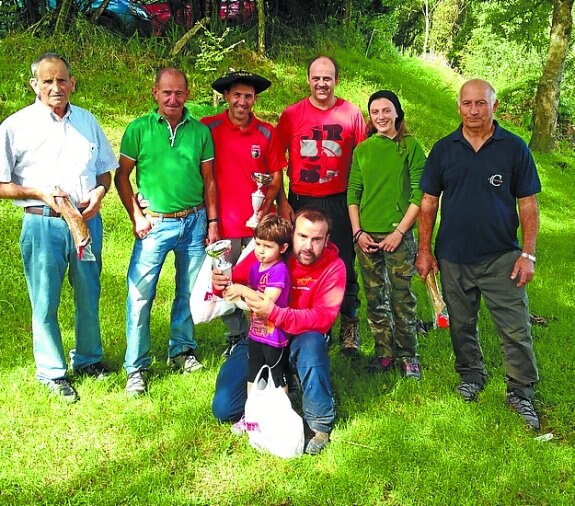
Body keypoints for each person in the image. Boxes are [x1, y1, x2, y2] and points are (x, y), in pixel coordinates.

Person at [416, 79, 541, 429]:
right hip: (453, 257)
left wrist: (527, 254)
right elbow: (428, 203)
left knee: (515, 329)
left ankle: (521, 392)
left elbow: (528, 204)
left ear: (494, 106)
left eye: (481, 104)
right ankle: (471, 376)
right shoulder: (443, 150)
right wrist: (425, 250)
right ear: (459, 107)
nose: (473, 110)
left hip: (501, 256)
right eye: (467, 103)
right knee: (461, 324)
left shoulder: (514, 148)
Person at [0, 52, 117, 402]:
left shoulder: (87, 121)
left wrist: (98, 193)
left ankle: (89, 359)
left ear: (72, 83)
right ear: (35, 84)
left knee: (88, 293)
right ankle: (52, 371)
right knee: (45, 299)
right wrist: (37, 191)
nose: (56, 87)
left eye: (62, 80)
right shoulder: (15, 126)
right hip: (43, 224)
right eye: (48, 81)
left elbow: (104, 172)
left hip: (86, 223)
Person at [115, 67, 218, 397]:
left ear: (187, 95)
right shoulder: (139, 129)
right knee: (140, 294)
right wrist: (136, 216)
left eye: (179, 93)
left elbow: (209, 180)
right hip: (155, 223)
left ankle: (182, 350)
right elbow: (122, 177)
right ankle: (136, 366)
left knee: (189, 290)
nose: (173, 98)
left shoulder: (200, 132)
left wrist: (212, 222)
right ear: (155, 93)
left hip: (194, 220)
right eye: (166, 92)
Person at [212, 207, 346, 454]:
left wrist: (275, 313)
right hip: (263, 335)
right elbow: (236, 281)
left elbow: (323, 317)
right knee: (223, 408)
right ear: (292, 236)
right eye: (303, 237)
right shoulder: (272, 252)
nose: (308, 246)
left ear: (327, 240)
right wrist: (221, 283)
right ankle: (274, 396)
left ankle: (319, 422)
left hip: (302, 337)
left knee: (313, 345)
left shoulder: (334, 267)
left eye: (317, 239)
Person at [275, 55, 366, 357]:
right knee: (300, 261)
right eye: (316, 77)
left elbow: (364, 162)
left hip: (339, 200)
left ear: (336, 80)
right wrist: (283, 202)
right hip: (302, 198)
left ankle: (349, 324)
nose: (322, 83)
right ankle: (305, 323)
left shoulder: (352, 114)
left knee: (344, 263)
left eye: (327, 77)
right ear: (308, 80)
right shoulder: (291, 114)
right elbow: (275, 162)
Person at [201, 71, 286, 356]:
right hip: (222, 222)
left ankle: (258, 332)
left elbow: (275, 177)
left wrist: (264, 210)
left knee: (258, 278)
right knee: (226, 280)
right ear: (226, 97)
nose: (242, 101)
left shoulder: (266, 132)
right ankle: (236, 335)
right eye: (236, 95)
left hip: (258, 226)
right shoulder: (208, 128)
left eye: (248, 96)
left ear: (254, 99)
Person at [347, 90, 426, 379]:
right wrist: (357, 232)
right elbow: (353, 192)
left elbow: (420, 193)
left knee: (401, 296)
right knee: (374, 296)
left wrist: (400, 231)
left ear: (397, 113)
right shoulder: (363, 150)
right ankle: (383, 352)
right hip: (367, 237)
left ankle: (408, 355)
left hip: (399, 237)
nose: (381, 116)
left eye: (386, 110)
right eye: (375, 112)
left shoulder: (410, 146)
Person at [223, 214, 292, 433]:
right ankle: (251, 415)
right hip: (255, 333)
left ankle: (283, 415)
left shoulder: (279, 270)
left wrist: (243, 290)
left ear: (282, 248)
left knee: (277, 376)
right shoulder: (255, 267)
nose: (260, 250)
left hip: (274, 337)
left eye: (268, 246)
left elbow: (266, 301)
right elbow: (250, 301)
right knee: (252, 376)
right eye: (258, 244)